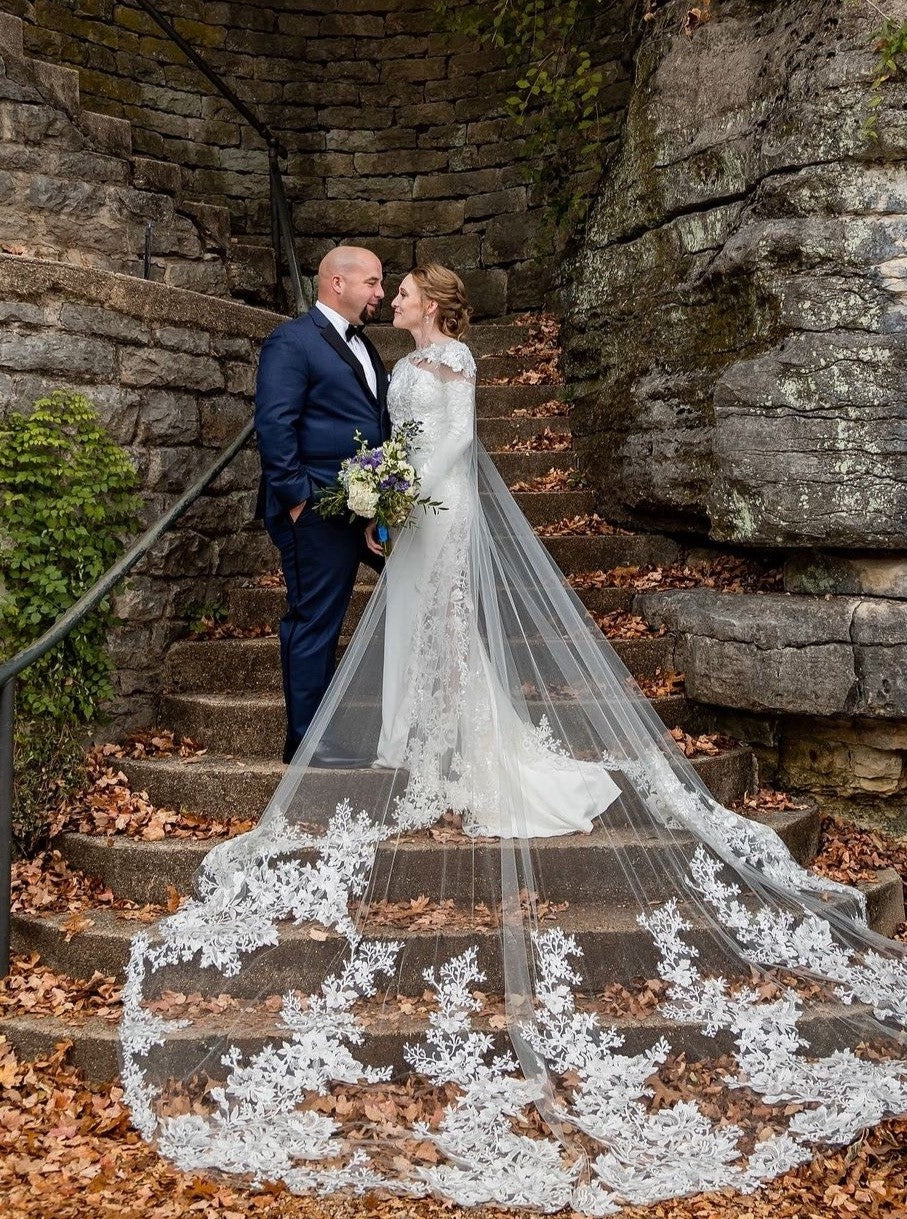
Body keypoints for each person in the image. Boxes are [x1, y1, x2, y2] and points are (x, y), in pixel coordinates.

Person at [122, 265, 907, 1216]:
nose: (390, 297)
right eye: (382, 285)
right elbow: (381, 433)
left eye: (400, 288)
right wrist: (377, 494)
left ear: (432, 305)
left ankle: (471, 746)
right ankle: (430, 738)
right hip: (406, 518)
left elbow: (448, 447)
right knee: (412, 633)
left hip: (432, 519)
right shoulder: (386, 356)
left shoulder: (445, 359)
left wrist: (395, 495)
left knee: (443, 631)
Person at [253, 245, 390, 765]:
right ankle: (307, 740)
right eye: (373, 282)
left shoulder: (365, 346)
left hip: (366, 508)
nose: (380, 294)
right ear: (338, 282)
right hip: (315, 508)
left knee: (425, 585)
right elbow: (275, 424)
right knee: (315, 619)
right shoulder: (292, 340)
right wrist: (297, 503)